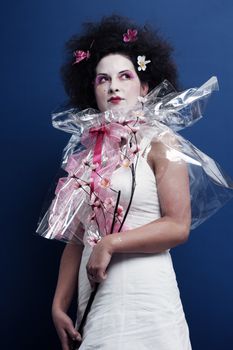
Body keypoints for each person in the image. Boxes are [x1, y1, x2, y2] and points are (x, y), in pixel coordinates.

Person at [36, 15, 233, 350]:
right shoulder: (85, 157)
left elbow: (178, 225)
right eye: (103, 79)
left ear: (144, 88)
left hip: (146, 298)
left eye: (124, 76)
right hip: (96, 302)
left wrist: (110, 244)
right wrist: (58, 305)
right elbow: (76, 240)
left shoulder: (161, 143)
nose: (113, 86)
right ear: (93, 91)